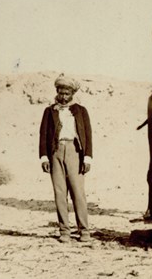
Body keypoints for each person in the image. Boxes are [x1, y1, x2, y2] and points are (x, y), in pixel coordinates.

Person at [39, 75, 93, 243]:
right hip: (55, 153)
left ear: (72, 93)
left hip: (75, 152)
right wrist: (44, 157)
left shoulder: (81, 110)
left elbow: (88, 135)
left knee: (78, 193)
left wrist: (88, 158)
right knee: (60, 193)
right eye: (60, 92)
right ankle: (65, 231)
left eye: (67, 93)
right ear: (57, 92)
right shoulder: (49, 111)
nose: (63, 96)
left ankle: (84, 231)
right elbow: (43, 135)